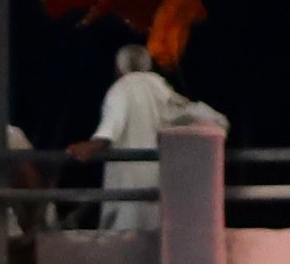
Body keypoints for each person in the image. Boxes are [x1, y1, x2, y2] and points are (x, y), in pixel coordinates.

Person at [85, 40, 218, 234]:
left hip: (130, 185)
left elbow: (109, 130)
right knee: (157, 234)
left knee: (126, 229)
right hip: (161, 184)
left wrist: (90, 146)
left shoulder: (121, 87)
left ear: (119, 68)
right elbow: (202, 116)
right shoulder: (160, 87)